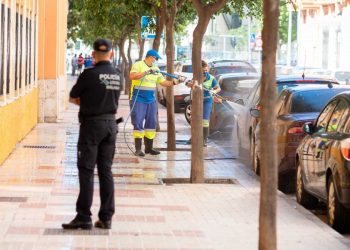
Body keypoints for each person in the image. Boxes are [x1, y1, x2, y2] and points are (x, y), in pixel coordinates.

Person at [62, 38, 120, 230]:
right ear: (111, 54)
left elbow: (73, 97)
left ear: (94, 54)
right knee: (106, 172)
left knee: (86, 171)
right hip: (110, 125)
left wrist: (87, 104)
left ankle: (84, 216)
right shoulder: (118, 75)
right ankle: (106, 218)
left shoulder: (89, 74)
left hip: (91, 126)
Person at [129, 49, 185, 156]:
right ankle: (138, 149)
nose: (156, 60)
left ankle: (149, 148)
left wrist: (176, 82)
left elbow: (163, 82)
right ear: (150, 57)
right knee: (138, 122)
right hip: (138, 99)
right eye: (156, 58)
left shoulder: (156, 69)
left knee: (151, 123)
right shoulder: (138, 65)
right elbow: (132, 76)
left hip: (151, 100)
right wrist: (146, 72)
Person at [186, 60, 221, 146]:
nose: (205, 72)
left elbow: (218, 88)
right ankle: (193, 137)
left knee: (205, 120)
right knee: (195, 120)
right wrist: (190, 84)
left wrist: (213, 91)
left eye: (206, 70)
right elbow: (187, 84)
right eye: (203, 70)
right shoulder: (196, 77)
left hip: (207, 101)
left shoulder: (211, 78)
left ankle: (204, 139)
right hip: (196, 101)